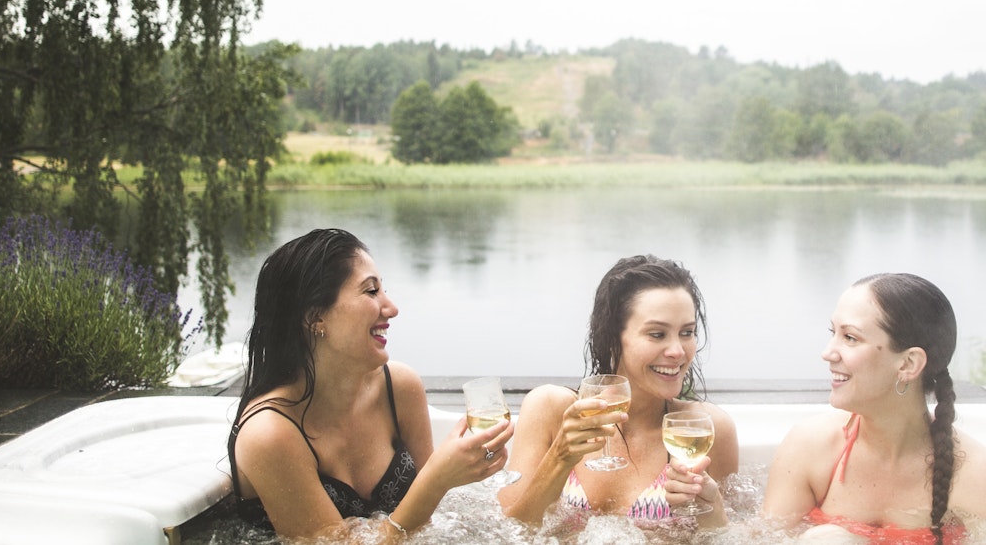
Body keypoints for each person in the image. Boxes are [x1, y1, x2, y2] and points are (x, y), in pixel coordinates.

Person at [227, 228, 514, 541]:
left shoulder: (400, 388)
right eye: (371, 292)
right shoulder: (270, 434)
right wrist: (436, 480)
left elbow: (430, 526)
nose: (391, 308)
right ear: (315, 318)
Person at [763, 273, 986, 544]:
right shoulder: (810, 446)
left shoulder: (978, 478)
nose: (828, 352)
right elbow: (762, 538)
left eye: (850, 337)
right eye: (833, 333)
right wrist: (714, 516)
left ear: (908, 364)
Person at [498, 254, 738, 530]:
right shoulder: (551, 409)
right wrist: (560, 458)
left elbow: (727, 536)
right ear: (613, 339)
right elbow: (508, 533)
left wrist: (713, 513)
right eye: (657, 334)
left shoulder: (703, 429)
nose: (677, 351)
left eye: (687, 332)